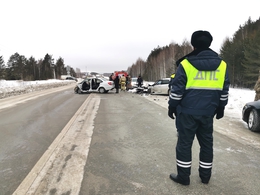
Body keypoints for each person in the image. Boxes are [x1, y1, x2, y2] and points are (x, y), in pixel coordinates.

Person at [168, 30, 230, 185]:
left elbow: (177, 89)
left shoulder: (186, 63)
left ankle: (183, 177)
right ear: (209, 43)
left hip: (187, 113)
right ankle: (205, 176)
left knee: (184, 144)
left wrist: (172, 106)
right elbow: (224, 89)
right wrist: (221, 107)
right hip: (208, 113)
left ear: (193, 45)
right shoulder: (222, 65)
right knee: (207, 145)